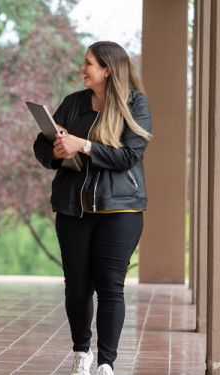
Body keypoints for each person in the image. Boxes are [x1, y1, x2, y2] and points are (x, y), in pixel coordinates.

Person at [33, 41, 152, 375]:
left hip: (121, 210)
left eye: (88, 64)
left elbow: (129, 156)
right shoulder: (73, 103)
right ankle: (81, 352)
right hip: (74, 208)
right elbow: (42, 147)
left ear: (107, 69)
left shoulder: (135, 105)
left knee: (110, 286)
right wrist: (57, 149)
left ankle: (106, 363)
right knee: (78, 285)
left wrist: (82, 145)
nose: (82, 69)